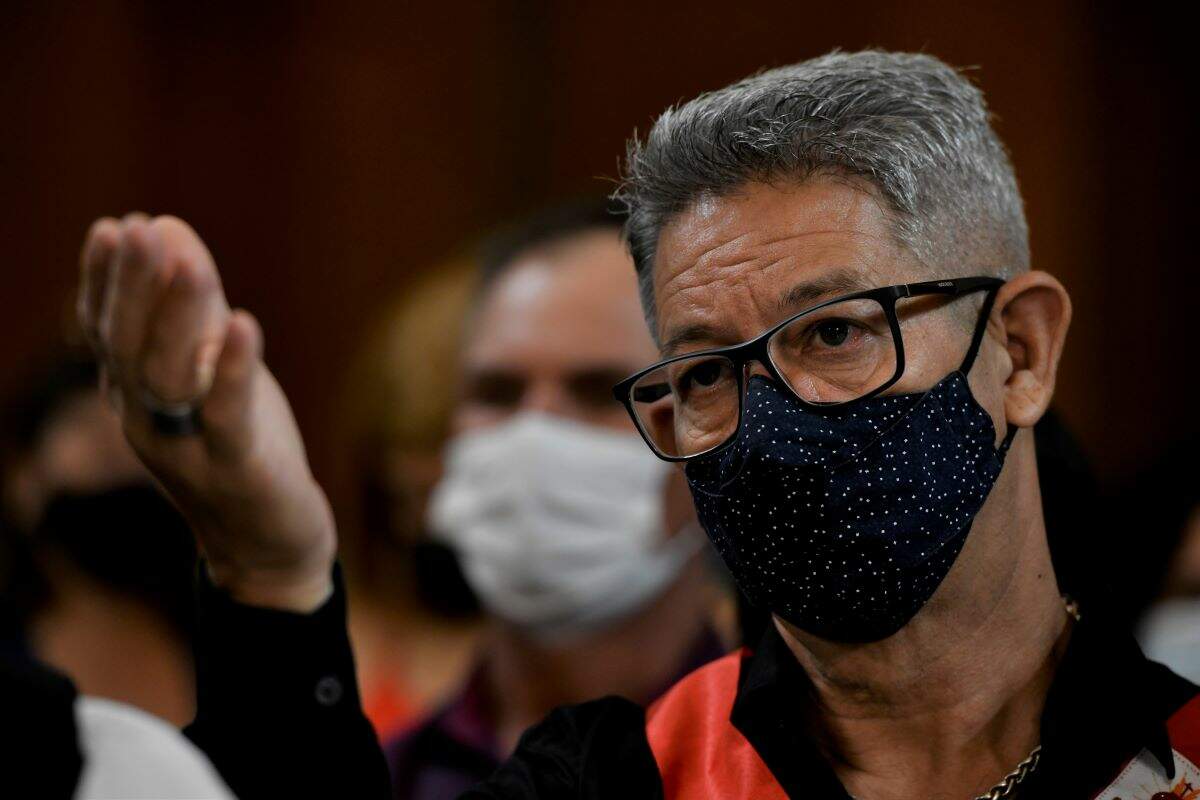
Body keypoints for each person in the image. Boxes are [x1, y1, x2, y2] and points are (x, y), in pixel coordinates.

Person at [75, 50, 1200, 799]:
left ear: (1021, 350)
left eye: (835, 333)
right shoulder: (618, 779)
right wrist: (268, 564)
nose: (773, 421)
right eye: (707, 370)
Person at [385, 203, 730, 798]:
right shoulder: (390, 780)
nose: (535, 433)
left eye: (600, 392)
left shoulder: (792, 768)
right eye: (497, 393)